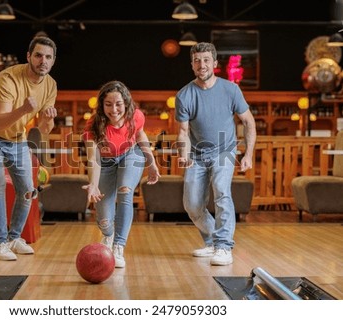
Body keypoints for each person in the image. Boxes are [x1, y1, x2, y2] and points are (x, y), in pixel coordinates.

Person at [0, 36, 58, 261]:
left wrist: (49, 119)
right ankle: (0, 244)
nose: (43, 61)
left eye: (48, 57)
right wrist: (23, 109)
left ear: (53, 60)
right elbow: (0, 122)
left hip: (17, 140)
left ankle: (14, 238)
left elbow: (41, 129)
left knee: (28, 189)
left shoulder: (50, 85)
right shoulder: (7, 78)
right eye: (38, 55)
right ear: (29, 56)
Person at [175, 42, 256, 266]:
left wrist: (248, 154)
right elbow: (183, 132)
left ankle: (223, 246)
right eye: (197, 60)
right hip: (197, 155)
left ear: (215, 63)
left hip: (225, 150)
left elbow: (248, 121)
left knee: (222, 192)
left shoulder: (231, 90)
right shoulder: (184, 95)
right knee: (191, 205)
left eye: (206, 60)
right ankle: (212, 241)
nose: (202, 65)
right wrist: (184, 153)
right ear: (192, 65)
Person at [82, 80, 160, 268]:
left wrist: (152, 162)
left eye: (118, 104)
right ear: (101, 105)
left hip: (131, 154)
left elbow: (140, 135)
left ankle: (119, 246)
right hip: (106, 164)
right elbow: (94, 158)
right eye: (108, 104)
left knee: (125, 191)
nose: (114, 109)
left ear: (126, 103)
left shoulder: (136, 116)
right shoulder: (93, 125)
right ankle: (108, 235)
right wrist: (93, 184)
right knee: (104, 220)